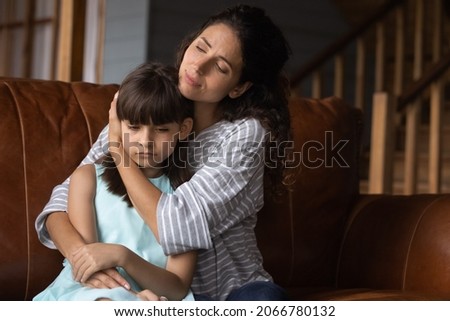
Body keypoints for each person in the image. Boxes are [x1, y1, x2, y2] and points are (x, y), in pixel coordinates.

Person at [36, 4, 292, 300]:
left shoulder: (244, 135)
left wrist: (119, 150)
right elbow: (60, 202)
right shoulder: (144, 113)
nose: (197, 67)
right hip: (145, 290)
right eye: (200, 48)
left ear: (238, 87)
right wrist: (85, 260)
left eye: (221, 67)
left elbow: (177, 225)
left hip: (228, 292)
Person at [34, 62, 195, 301]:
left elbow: (178, 287)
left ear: (183, 129)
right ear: (117, 125)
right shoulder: (87, 178)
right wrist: (132, 297)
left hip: (156, 299)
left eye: (161, 129)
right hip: (87, 292)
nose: (145, 141)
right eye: (134, 127)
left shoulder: (187, 195)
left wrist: (124, 257)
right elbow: (88, 266)